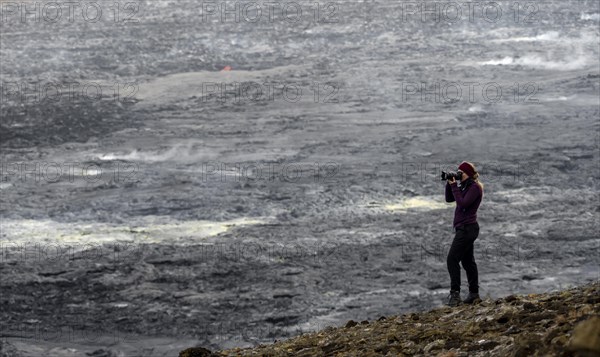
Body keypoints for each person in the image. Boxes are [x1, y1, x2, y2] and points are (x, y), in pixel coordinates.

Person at [444, 161, 484, 306]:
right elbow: (449, 199)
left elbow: (463, 203)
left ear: (467, 173)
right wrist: (449, 184)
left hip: (468, 228)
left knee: (452, 259)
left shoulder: (474, 188)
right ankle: (474, 293)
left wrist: (454, 186)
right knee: (468, 261)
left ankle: (455, 294)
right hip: (464, 228)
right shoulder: (465, 186)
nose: (459, 174)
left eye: (461, 172)